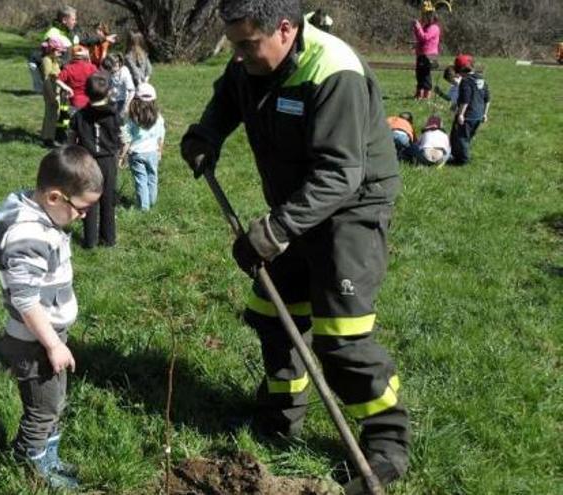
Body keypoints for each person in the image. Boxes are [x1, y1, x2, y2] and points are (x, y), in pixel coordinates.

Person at [180, 1, 410, 493]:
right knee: (272, 312)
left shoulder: (334, 72)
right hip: (295, 204)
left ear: (285, 29)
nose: (238, 55)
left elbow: (340, 174)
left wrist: (275, 230)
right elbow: (229, 94)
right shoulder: (251, 57)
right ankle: (281, 416)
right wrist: (206, 134)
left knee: (342, 337)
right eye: (234, 44)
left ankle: (387, 444)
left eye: (246, 44)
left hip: (352, 208)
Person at [0, 145, 103, 489]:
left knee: (53, 402)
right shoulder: (28, 235)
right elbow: (24, 299)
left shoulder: (41, 215)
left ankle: (47, 457)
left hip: (47, 337)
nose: (84, 216)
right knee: (42, 410)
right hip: (35, 342)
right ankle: (31, 465)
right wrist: (52, 344)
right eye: (81, 208)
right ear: (55, 197)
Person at [68, 72, 122, 248]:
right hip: (108, 162)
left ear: (86, 92)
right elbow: (124, 137)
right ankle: (108, 239)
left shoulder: (79, 116)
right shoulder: (115, 115)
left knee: (89, 199)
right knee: (108, 199)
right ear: (108, 93)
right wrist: (122, 155)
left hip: (87, 161)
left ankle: (90, 240)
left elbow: (71, 140)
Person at [120, 83, 165, 210]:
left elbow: (126, 141)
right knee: (153, 177)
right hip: (153, 153)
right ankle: (152, 202)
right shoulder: (159, 118)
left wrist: (122, 156)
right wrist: (159, 151)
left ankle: (144, 208)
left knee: (141, 180)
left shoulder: (131, 119)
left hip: (137, 154)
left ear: (135, 101)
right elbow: (161, 136)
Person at [449, 54, 490, 165]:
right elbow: (487, 98)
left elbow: (465, 100)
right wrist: (485, 114)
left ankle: (462, 160)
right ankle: (455, 154)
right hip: (478, 114)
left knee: (461, 138)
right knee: (464, 136)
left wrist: (461, 114)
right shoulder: (480, 79)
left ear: (461, 70)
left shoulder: (465, 81)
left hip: (467, 115)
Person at [43, 5, 117, 64]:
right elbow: (50, 60)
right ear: (64, 20)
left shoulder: (71, 33)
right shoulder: (52, 34)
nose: (75, 22)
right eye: (73, 19)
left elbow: (86, 38)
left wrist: (104, 38)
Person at [39, 36, 68, 148]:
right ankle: (48, 138)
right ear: (51, 50)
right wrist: (51, 95)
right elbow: (47, 78)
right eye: (58, 51)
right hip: (50, 90)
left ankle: (47, 135)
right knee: (51, 115)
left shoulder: (54, 60)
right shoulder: (46, 60)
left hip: (56, 90)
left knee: (53, 114)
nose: (60, 53)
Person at [412, 3, 440, 99]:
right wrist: (417, 29)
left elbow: (424, 37)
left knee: (426, 75)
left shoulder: (434, 28)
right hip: (421, 54)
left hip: (429, 55)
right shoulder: (426, 27)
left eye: (426, 16)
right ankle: (419, 93)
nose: (424, 18)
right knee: (419, 74)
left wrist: (418, 27)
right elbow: (420, 38)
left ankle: (427, 94)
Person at [57, 44, 97, 111]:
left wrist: (68, 88)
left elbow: (58, 80)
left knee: (75, 120)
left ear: (72, 56)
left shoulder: (68, 68)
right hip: (90, 101)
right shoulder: (92, 67)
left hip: (75, 101)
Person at [102, 52, 135, 118]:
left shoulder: (124, 74)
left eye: (109, 69)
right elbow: (110, 82)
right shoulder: (112, 71)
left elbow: (132, 91)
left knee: (118, 119)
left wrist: (126, 106)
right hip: (112, 99)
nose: (108, 71)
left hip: (121, 101)